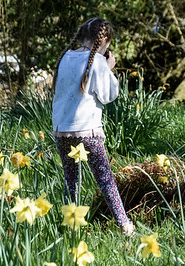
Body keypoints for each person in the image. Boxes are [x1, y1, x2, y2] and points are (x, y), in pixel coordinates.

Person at [52, 17, 135, 236]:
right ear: (105, 40)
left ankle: (70, 226)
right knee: (105, 180)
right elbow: (108, 96)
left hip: (62, 131)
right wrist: (108, 69)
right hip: (87, 131)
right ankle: (125, 226)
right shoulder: (98, 62)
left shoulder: (65, 58)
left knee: (71, 180)